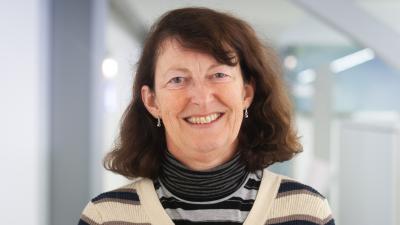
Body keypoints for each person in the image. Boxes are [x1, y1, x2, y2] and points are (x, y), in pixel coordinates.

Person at [78, 7, 335, 225]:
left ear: (246, 92)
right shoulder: (106, 218)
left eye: (219, 75)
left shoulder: (306, 213)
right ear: (152, 101)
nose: (201, 98)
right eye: (178, 79)